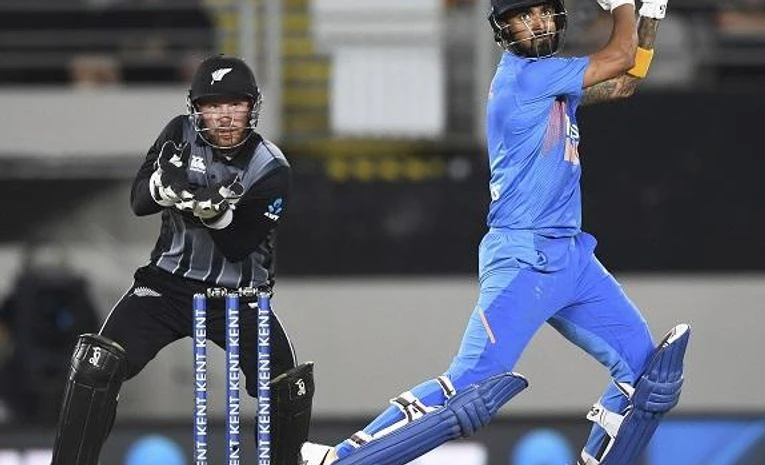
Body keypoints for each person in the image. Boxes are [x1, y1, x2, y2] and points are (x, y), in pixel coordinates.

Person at [301, 0, 690, 464]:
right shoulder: (525, 78)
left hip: (573, 258)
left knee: (649, 376)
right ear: (503, 29)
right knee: (472, 385)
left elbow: (624, 84)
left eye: (543, 12)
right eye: (522, 18)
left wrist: (653, 14)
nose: (536, 24)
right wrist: (625, 6)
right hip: (523, 257)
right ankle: (341, 457)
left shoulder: (555, 80)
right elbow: (621, 56)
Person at [50, 54, 315, 465]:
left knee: (287, 383)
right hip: (166, 286)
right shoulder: (178, 132)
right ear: (197, 109)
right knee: (96, 365)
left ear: (252, 107)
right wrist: (163, 186)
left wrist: (210, 210)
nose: (224, 116)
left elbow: (240, 244)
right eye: (213, 105)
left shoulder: (271, 167)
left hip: (239, 296)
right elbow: (139, 200)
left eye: (235, 104)